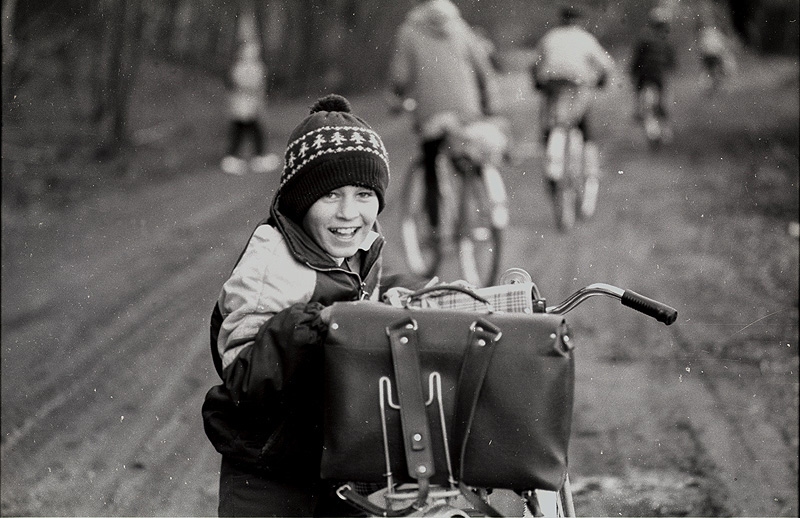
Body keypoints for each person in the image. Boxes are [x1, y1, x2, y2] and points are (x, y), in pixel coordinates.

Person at [202, 94, 392, 516]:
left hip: (327, 452)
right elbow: (242, 376)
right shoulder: (272, 262)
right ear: (300, 200)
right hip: (267, 466)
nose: (349, 212)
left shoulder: (357, 245)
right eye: (330, 196)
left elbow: (366, 294)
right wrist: (309, 327)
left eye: (364, 194)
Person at [389, 0, 497, 234]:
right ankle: (477, 204)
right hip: (467, 109)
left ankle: (436, 226)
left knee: (431, 162)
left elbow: (400, 74)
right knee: (466, 154)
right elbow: (482, 67)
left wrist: (396, 98)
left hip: (431, 113)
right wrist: (488, 102)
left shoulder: (409, 30)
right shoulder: (460, 26)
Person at [530, 5, 615, 196]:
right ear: (579, 21)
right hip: (577, 86)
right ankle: (590, 169)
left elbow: (535, 64)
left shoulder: (550, 36)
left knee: (551, 124)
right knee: (584, 127)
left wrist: (537, 82)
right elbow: (607, 65)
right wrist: (602, 81)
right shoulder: (586, 38)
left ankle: (551, 164)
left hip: (551, 85)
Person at [221, 41, 281, 175]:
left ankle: (257, 156)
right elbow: (244, 83)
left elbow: (259, 84)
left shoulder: (256, 66)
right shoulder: (241, 67)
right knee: (241, 130)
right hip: (242, 105)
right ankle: (234, 157)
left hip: (252, 105)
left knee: (253, 130)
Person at [629, 7, 677, 137]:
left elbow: (637, 59)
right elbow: (672, 62)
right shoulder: (666, 40)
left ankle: (651, 129)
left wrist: (632, 72)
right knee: (663, 102)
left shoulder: (644, 38)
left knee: (644, 103)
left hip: (645, 76)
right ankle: (666, 131)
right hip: (660, 75)